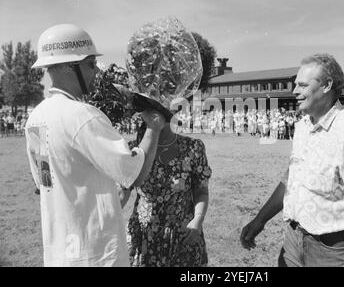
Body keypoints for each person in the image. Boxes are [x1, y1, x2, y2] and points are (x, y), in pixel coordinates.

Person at [25, 24, 165, 267]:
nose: (95, 72)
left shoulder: (35, 119)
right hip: (96, 255)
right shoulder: (83, 115)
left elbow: (46, 183)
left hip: (59, 254)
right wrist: (153, 128)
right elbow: (136, 174)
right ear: (72, 66)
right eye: (90, 64)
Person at [240, 53, 344, 267]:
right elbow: (291, 180)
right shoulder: (302, 127)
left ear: (327, 85)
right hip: (293, 241)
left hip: (333, 251)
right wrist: (260, 219)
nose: (294, 91)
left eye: (302, 85)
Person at [125, 108, 211, 267]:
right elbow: (120, 194)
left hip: (184, 235)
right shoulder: (133, 150)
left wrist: (198, 219)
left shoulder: (193, 148)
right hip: (144, 235)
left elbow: (201, 191)